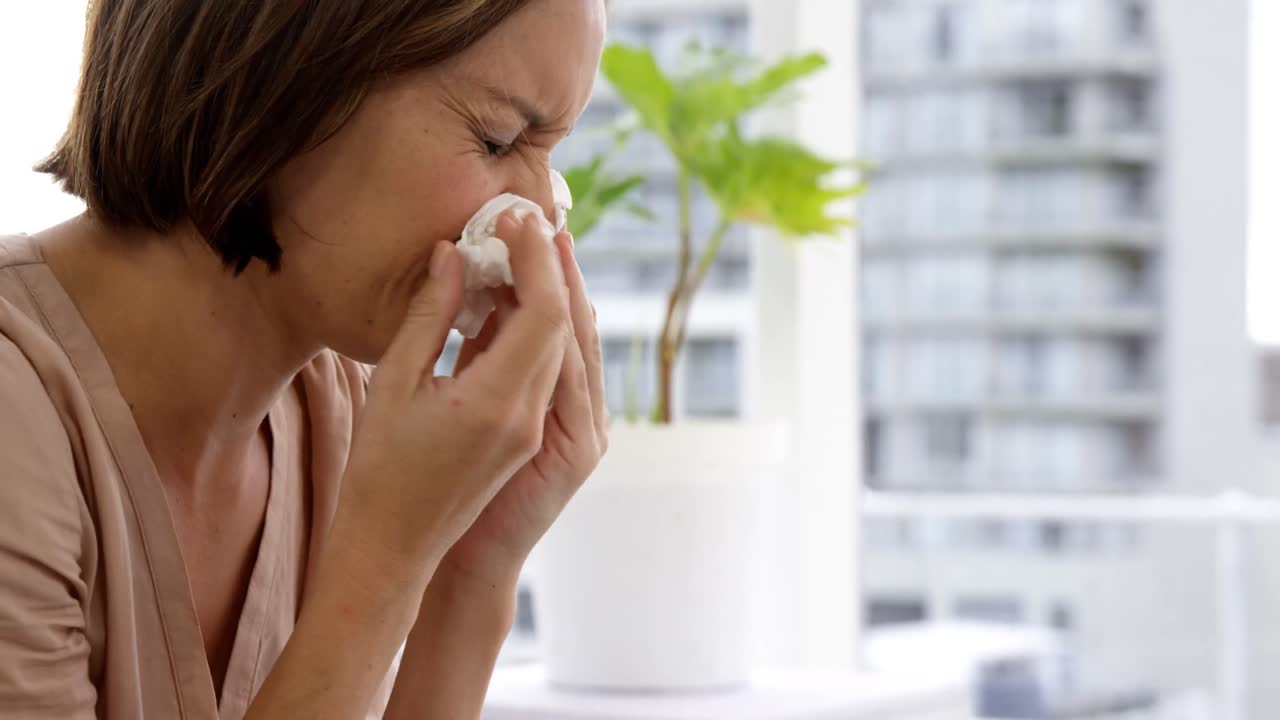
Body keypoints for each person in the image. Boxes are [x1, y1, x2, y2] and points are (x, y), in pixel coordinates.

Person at [0, 0, 608, 718]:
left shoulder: (343, 414)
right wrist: (383, 559)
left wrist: (472, 566)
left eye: (552, 156)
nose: (538, 212)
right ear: (280, 80)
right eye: (499, 138)